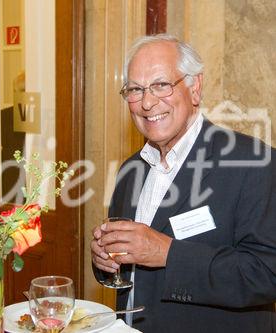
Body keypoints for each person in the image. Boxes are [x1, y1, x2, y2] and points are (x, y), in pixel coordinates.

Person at [91, 34, 276, 332]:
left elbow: (267, 273)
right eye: (136, 90)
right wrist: (104, 260)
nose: (148, 102)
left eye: (161, 85)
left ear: (195, 88)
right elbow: (129, 265)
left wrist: (168, 253)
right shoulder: (131, 169)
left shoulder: (254, 163)